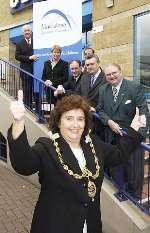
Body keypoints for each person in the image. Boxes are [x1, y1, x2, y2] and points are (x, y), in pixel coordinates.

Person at [7, 91, 145, 233]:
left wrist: (134, 130)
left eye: (80, 119)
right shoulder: (46, 147)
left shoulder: (93, 144)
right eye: (69, 118)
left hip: (90, 225)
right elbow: (24, 165)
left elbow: (118, 154)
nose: (75, 124)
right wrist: (18, 122)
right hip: (55, 226)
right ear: (59, 122)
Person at [96, 63, 149, 198]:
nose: (112, 76)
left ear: (121, 72)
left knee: (134, 173)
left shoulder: (134, 87)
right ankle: (120, 191)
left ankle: (134, 198)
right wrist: (109, 121)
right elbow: (100, 109)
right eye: (108, 74)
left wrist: (139, 137)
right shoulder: (103, 90)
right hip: (112, 137)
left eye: (114, 73)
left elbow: (143, 113)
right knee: (116, 168)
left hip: (131, 138)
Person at [76, 54, 106, 139]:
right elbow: (77, 93)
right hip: (86, 118)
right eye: (87, 65)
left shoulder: (106, 78)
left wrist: (96, 109)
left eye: (92, 64)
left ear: (98, 63)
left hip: (99, 121)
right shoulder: (84, 77)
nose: (89, 66)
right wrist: (63, 89)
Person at [15, 24, 38, 108]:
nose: (27, 32)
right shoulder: (19, 43)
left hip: (36, 70)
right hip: (25, 71)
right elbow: (17, 56)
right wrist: (29, 57)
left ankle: (38, 109)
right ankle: (28, 108)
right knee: (27, 90)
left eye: (28, 30)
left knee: (36, 90)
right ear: (23, 33)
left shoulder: (37, 41)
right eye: (25, 31)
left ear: (31, 32)